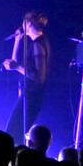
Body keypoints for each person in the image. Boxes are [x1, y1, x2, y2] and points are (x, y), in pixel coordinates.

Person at [3, 11, 51, 144]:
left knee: (13, 132)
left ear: (28, 23)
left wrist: (17, 67)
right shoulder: (36, 42)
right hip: (29, 93)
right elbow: (14, 64)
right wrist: (17, 41)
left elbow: (39, 76)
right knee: (15, 132)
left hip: (32, 95)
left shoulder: (38, 44)